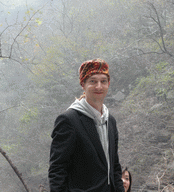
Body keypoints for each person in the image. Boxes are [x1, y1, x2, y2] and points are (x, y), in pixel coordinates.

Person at [48, 58, 125, 192]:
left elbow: (115, 166)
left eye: (103, 81)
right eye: (93, 81)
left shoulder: (110, 121)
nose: (99, 86)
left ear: (109, 84)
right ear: (83, 85)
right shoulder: (69, 120)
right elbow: (57, 169)